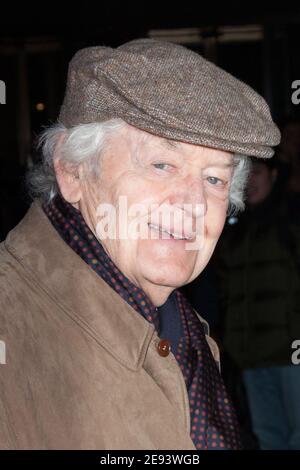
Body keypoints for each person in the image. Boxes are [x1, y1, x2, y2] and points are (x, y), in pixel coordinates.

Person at [0, 39, 280, 450]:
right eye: (161, 165)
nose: (193, 205)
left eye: (214, 179)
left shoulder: (181, 330)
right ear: (73, 170)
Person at [215, 157, 300, 449]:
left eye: (258, 172)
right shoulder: (234, 227)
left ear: (274, 174)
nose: (250, 181)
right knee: (268, 437)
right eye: (245, 174)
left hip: (291, 353)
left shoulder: (292, 216)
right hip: (251, 355)